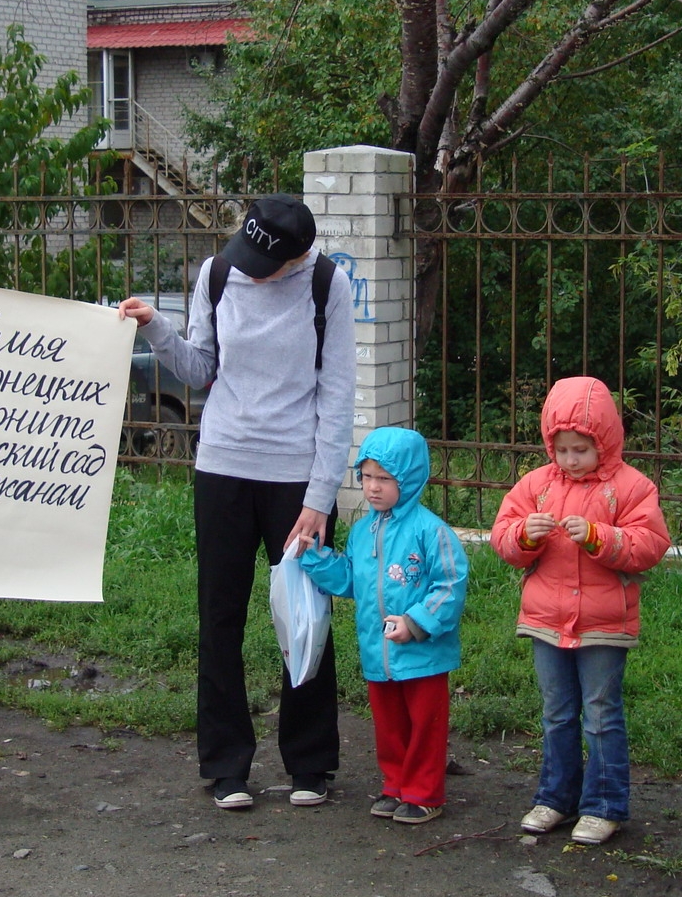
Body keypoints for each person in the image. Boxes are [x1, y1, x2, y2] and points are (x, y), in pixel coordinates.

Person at [118, 195, 355, 811]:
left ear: (296, 256)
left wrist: (320, 497)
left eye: (263, 262)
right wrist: (154, 326)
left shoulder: (328, 285)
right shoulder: (217, 273)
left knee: (304, 616)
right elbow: (199, 369)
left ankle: (310, 764)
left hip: (294, 479)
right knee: (219, 617)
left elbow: (337, 398)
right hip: (222, 467)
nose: (248, 268)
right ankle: (226, 765)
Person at [490, 376, 671, 847]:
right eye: (563, 449)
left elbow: (649, 545)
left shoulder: (630, 488)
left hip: (603, 625)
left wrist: (599, 537)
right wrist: (525, 534)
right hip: (547, 622)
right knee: (557, 712)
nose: (570, 460)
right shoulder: (536, 485)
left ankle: (604, 805)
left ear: (605, 444)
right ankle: (555, 797)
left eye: (582, 450)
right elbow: (503, 538)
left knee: (601, 714)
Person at [300, 427, 469, 826]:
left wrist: (416, 623)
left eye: (384, 479)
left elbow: (451, 585)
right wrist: (315, 559)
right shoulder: (364, 531)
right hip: (379, 652)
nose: (373, 488)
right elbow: (352, 580)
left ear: (408, 479)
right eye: (367, 477)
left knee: (424, 725)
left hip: (423, 653)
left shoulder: (432, 531)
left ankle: (424, 792)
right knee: (389, 725)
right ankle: (395, 785)